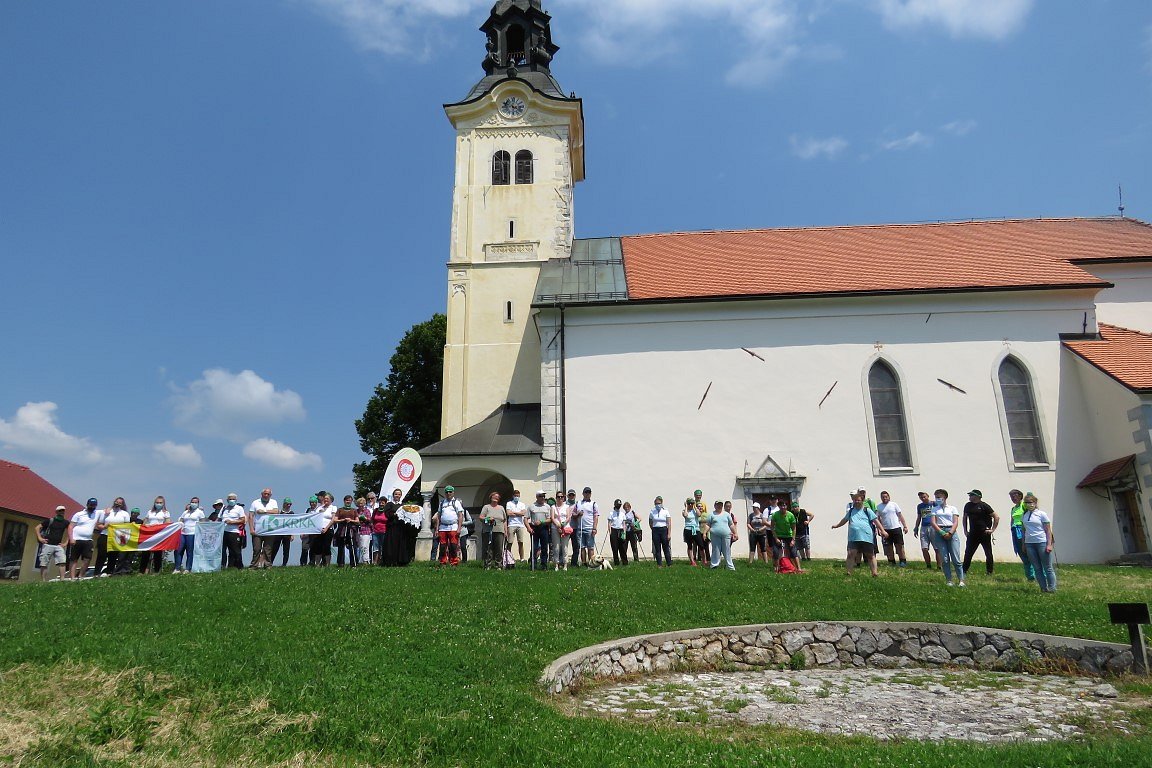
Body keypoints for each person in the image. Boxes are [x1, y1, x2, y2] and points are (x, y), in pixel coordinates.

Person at [832, 492, 886, 577]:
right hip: (853, 537)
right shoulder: (851, 511)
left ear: (862, 500)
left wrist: (882, 530)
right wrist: (837, 526)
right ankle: (849, 572)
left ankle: (874, 572)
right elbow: (844, 520)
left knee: (870, 555)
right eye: (855, 500)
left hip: (866, 537)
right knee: (850, 555)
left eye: (858, 500)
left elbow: (876, 521)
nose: (856, 501)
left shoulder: (867, 510)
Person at [1021, 492, 1057, 593]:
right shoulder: (1025, 515)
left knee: (1047, 567)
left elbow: (1048, 530)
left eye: (1031, 502)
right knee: (1037, 568)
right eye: (1027, 502)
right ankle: (1043, 588)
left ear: (1035, 503)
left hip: (1041, 542)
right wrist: (1023, 544)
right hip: (1029, 544)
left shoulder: (1042, 514)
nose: (1029, 504)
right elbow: (1024, 531)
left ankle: (1052, 588)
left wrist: (1049, 544)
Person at [930, 489, 965, 587]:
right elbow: (933, 522)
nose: (937, 499)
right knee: (945, 559)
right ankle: (949, 580)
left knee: (956, 558)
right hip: (939, 532)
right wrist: (941, 532)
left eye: (939, 497)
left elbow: (955, 522)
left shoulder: (952, 508)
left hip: (951, 532)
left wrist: (950, 532)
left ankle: (961, 580)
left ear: (945, 497)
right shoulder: (934, 509)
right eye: (936, 497)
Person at [962, 489, 999, 577]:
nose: (970, 497)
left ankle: (989, 571)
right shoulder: (968, 505)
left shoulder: (984, 506)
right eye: (969, 495)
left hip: (984, 533)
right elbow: (964, 518)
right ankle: (964, 571)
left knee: (988, 553)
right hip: (973, 533)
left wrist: (992, 529)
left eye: (971, 495)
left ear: (977, 497)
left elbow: (996, 517)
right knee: (968, 553)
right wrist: (965, 530)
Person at [66, 499, 100, 580]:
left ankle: (81, 575)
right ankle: (72, 577)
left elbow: (107, 510)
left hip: (88, 540)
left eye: (94, 505)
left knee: (87, 559)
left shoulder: (97, 513)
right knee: (74, 559)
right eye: (91, 505)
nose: (92, 507)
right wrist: (71, 538)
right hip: (76, 539)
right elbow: (71, 526)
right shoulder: (79, 514)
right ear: (87, 504)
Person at [1007, 489, 1036, 581]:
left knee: (1029, 552)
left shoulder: (1023, 505)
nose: (1013, 498)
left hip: (1023, 530)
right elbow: (1012, 520)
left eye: (1015, 496)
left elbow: (1031, 505)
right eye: (1011, 497)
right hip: (1015, 531)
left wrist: (1030, 495)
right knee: (1021, 553)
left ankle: (1039, 574)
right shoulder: (1013, 508)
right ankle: (1030, 576)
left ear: (1020, 496)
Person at [98, 497, 130, 577]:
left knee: (113, 555)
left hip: (117, 536)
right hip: (105, 535)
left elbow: (127, 526)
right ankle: (97, 573)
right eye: (116, 502)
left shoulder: (124, 514)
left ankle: (110, 572)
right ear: (114, 502)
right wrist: (104, 527)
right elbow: (99, 524)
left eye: (120, 503)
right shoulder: (107, 511)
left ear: (122, 504)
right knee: (101, 555)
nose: (117, 503)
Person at [875, 491, 909, 567]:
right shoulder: (879, 507)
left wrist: (905, 526)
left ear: (889, 497)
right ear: (881, 498)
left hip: (896, 528)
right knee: (888, 547)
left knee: (899, 546)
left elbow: (900, 515)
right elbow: (877, 519)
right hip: (886, 530)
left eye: (886, 496)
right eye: (883, 497)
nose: (884, 498)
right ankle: (891, 562)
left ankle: (902, 561)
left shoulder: (894, 505)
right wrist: (879, 529)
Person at [139, 496, 171, 575]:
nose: (158, 504)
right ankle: (141, 572)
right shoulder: (150, 512)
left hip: (159, 535)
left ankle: (156, 571)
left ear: (163, 504)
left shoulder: (166, 513)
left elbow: (168, 523)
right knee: (145, 553)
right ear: (154, 503)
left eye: (160, 502)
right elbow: (145, 522)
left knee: (158, 553)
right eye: (157, 502)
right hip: (149, 535)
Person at [37, 506, 70, 581]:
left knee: (62, 562)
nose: (62, 512)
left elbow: (70, 531)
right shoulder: (50, 520)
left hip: (58, 545)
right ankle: (43, 581)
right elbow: (37, 527)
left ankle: (62, 579)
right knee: (44, 563)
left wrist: (66, 543)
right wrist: (40, 538)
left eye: (63, 511)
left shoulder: (66, 522)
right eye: (60, 511)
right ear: (56, 512)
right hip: (48, 544)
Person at [248, 488, 278, 568]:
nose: (266, 495)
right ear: (262, 494)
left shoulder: (273, 502)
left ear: (270, 495)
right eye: (265, 493)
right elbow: (250, 516)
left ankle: (267, 565)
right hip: (257, 529)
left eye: (268, 494)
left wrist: (264, 511)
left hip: (269, 530)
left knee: (268, 549)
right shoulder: (255, 502)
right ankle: (254, 565)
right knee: (256, 549)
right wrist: (251, 529)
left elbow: (276, 511)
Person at [912, 491, 941, 570]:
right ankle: (928, 565)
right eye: (921, 497)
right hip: (924, 527)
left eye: (924, 497)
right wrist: (916, 527)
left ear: (928, 496)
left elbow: (939, 514)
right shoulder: (920, 506)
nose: (923, 498)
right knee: (924, 548)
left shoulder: (934, 504)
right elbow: (919, 517)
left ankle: (939, 566)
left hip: (933, 527)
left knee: (937, 548)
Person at [174, 497, 204, 574]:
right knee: (179, 550)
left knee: (189, 552)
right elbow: (181, 519)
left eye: (195, 502)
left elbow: (203, 523)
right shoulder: (186, 512)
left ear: (198, 504)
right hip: (183, 533)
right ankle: (177, 568)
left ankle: (188, 568)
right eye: (192, 502)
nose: (194, 503)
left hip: (192, 533)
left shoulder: (199, 512)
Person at [770, 501, 802, 572]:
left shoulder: (790, 515)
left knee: (793, 552)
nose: (783, 507)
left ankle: (799, 568)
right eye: (781, 506)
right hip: (778, 535)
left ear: (786, 506)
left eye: (784, 505)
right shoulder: (775, 515)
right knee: (775, 552)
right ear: (779, 507)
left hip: (788, 535)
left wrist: (793, 540)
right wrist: (776, 538)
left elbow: (794, 528)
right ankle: (776, 569)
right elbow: (772, 527)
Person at [432, 491, 462, 566]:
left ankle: (454, 562)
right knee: (442, 546)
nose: (448, 493)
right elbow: (438, 516)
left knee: (453, 546)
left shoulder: (456, 502)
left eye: (450, 492)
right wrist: (437, 529)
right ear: (445, 493)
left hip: (453, 527)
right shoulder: (442, 503)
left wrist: (459, 528)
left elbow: (460, 516)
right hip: (443, 527)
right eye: (447, 492)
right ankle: (443, 562)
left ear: (453, 493)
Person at [261, 498, 293, 566]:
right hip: (278, 533)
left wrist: (292, 534)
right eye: (287, 504)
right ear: (284, 504)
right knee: (275, 548)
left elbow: (293, 524)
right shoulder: (279, 512)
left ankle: (284, 564)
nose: (288, 505)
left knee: (286, 549)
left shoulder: (292, 513)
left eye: (290, 504)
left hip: (287, 533)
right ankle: (270, 562)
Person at [706, 500, 737, 570]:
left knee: (727, 550)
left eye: (720, 505)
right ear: (715, 506)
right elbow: (708, 525)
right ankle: (714, 565)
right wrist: (705, 533)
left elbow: (731, 524)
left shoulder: (726, 514)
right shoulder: (711, 515)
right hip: (715, 535)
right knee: (716, 550)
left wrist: (735, 533)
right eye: (717, 505)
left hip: (726, 535)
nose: (719, 506)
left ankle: (730, 566)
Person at [480, 492, 507, 569]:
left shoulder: (501, 508)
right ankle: (487, 565)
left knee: (499, 548)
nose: (495, 497)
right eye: (493, 496)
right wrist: (488, 519)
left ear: (498, 499)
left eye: (497, 497)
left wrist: (505, 531)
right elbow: (481, 518)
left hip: (499, 530)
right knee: (488, 548)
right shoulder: (486, 507)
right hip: (488, 531)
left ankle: (498, 565)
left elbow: (504, 520)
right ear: (490, 497)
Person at [527, 491, 553, 570]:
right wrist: (529, 528)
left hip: (544, 528)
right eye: (541, 496)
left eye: (543, 496)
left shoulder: (547, 507)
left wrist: (542, 522)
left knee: (544, 547)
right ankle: (533, 565)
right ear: (537, 497)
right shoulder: (531, 506)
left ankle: (544, 565)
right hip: (534, 528)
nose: (543, 498)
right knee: (534, 547)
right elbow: (526, 518)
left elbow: (550, 519)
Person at [311, 492, 337, 567]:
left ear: (331, 500)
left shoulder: (333, 507)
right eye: (325, 498)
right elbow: (314, 517)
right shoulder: (319, 508)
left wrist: (326, 528)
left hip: (328, 529)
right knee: (318, 547)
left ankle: (327, 564)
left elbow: (333, 519)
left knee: (326, 547)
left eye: (327, 499)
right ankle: (317, 564)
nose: (325, 500)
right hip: (319, 530)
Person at [575, 487, 599, 567]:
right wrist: (578, 514)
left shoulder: (593, 504)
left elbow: (596, 516)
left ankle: (591, 563)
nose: (587, 494)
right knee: (582, 547)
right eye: (586, 492)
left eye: (588, 493)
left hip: (589, 528)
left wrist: (594, 528)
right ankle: (584, 563)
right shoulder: (578, 503)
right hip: (580, 528)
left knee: (590, 547)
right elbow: (573, 514)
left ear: (590, 494)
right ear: (583, 493)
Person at [334, 495, 359, 567]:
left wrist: (351, 520)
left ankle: (353, 563)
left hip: (351, 530)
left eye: (349, 500)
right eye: (347, 500)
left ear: (351, 501)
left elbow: (357, 521)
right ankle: (340, 563)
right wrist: (342, 520)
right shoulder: (340, 510)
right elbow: (335, 520)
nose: (348, 502)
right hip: (342, 530)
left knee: (353, 547)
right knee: (341, 547)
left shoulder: (354, 510)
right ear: (344, 501)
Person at [222, 494, 246, 569]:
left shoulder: (239, 508)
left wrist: (232, 522)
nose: (231, 500)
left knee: (236, 550)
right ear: (227, 500)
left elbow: (243, 520)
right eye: (230, 499)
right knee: (224, 550)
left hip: (234, 532)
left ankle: (240, 566)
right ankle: (226, 566)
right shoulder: (224, 508)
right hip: (224, 532)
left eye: (233, 499)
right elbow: (219, 519)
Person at [505, 490, 529, 564]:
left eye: (518, 496)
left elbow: (523, 513)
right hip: (511, 524)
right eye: (515, 495)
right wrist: (518, 513)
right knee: (510, 542)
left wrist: (514, 512)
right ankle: (508, 558)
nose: (516, 497)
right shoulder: (509, 503)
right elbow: (508, 513)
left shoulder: (522, 504)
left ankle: (522, 558)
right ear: (513, 496)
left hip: (520, 525)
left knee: (520, 542)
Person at [551, 493, 572, 571]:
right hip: (555, 528)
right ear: (556, 498)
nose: (560, 498)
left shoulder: (567, 506)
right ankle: (556, 564)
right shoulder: (553, 507)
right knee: (556, 547)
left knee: (564, 546)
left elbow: (568, 517)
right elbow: (552, 518)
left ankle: (565, 564)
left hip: (565, 528)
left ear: (563, 498)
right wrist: (557, 525)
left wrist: (562, 524)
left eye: (561, 497)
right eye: (558, 497)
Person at [650, 496, 672, 566]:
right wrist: (653, 529)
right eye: (656, 503)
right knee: (657, 548)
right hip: (655, 530)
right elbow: (650, 522)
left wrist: (669, 533)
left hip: (664, 530)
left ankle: (669, 563)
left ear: (662, 503)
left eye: (659, 503)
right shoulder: (652, 511)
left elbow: (669, 523)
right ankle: (659, 564)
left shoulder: (666, 511)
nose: (657, 505)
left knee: (666, 548)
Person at [608, 499, 629, 566]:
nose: (618, 506)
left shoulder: (622, 514)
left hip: (621, 530)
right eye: (617, 505)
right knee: (614, 548)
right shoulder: (611, 513)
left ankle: (625, 562)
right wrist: (610, 533)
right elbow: (609, 523)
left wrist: (624, 533)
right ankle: (616, 563)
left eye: (619, 505)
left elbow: (624, 524)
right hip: (614, 530)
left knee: (622, 548)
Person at [299, 495, 319, 566]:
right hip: (307, 531)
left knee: (313, 548)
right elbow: (304, 521)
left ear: (316, 503)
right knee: (304, 548)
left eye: (314, 502)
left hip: (315, 532)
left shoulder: (318, 510)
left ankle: (312, 562)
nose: (312, 504)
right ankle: (303, 563)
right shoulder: (307, 510)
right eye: (311, 502)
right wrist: (302, 532)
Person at [371, 495, 390, 565]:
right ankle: (375, 562)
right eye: (380, 502)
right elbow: (372, 520)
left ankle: (381, 561)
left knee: (382, 546)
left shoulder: (386, 511)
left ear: (385, 503)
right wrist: (372, 527)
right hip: (375, 531)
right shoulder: (375, 510)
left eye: (383, 503)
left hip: (384, 531)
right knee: (375, 546)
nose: (381, 504)